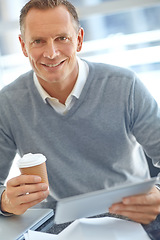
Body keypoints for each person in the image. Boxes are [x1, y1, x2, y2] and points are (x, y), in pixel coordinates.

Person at [0, 0, 160, 225]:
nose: (52, 53)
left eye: (62, 38)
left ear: (79, 39)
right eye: (38, 41)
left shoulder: (125, 86)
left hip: (131, 217)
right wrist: (5, 201)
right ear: (23, 46)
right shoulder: (7, 103)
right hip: (56, 227)